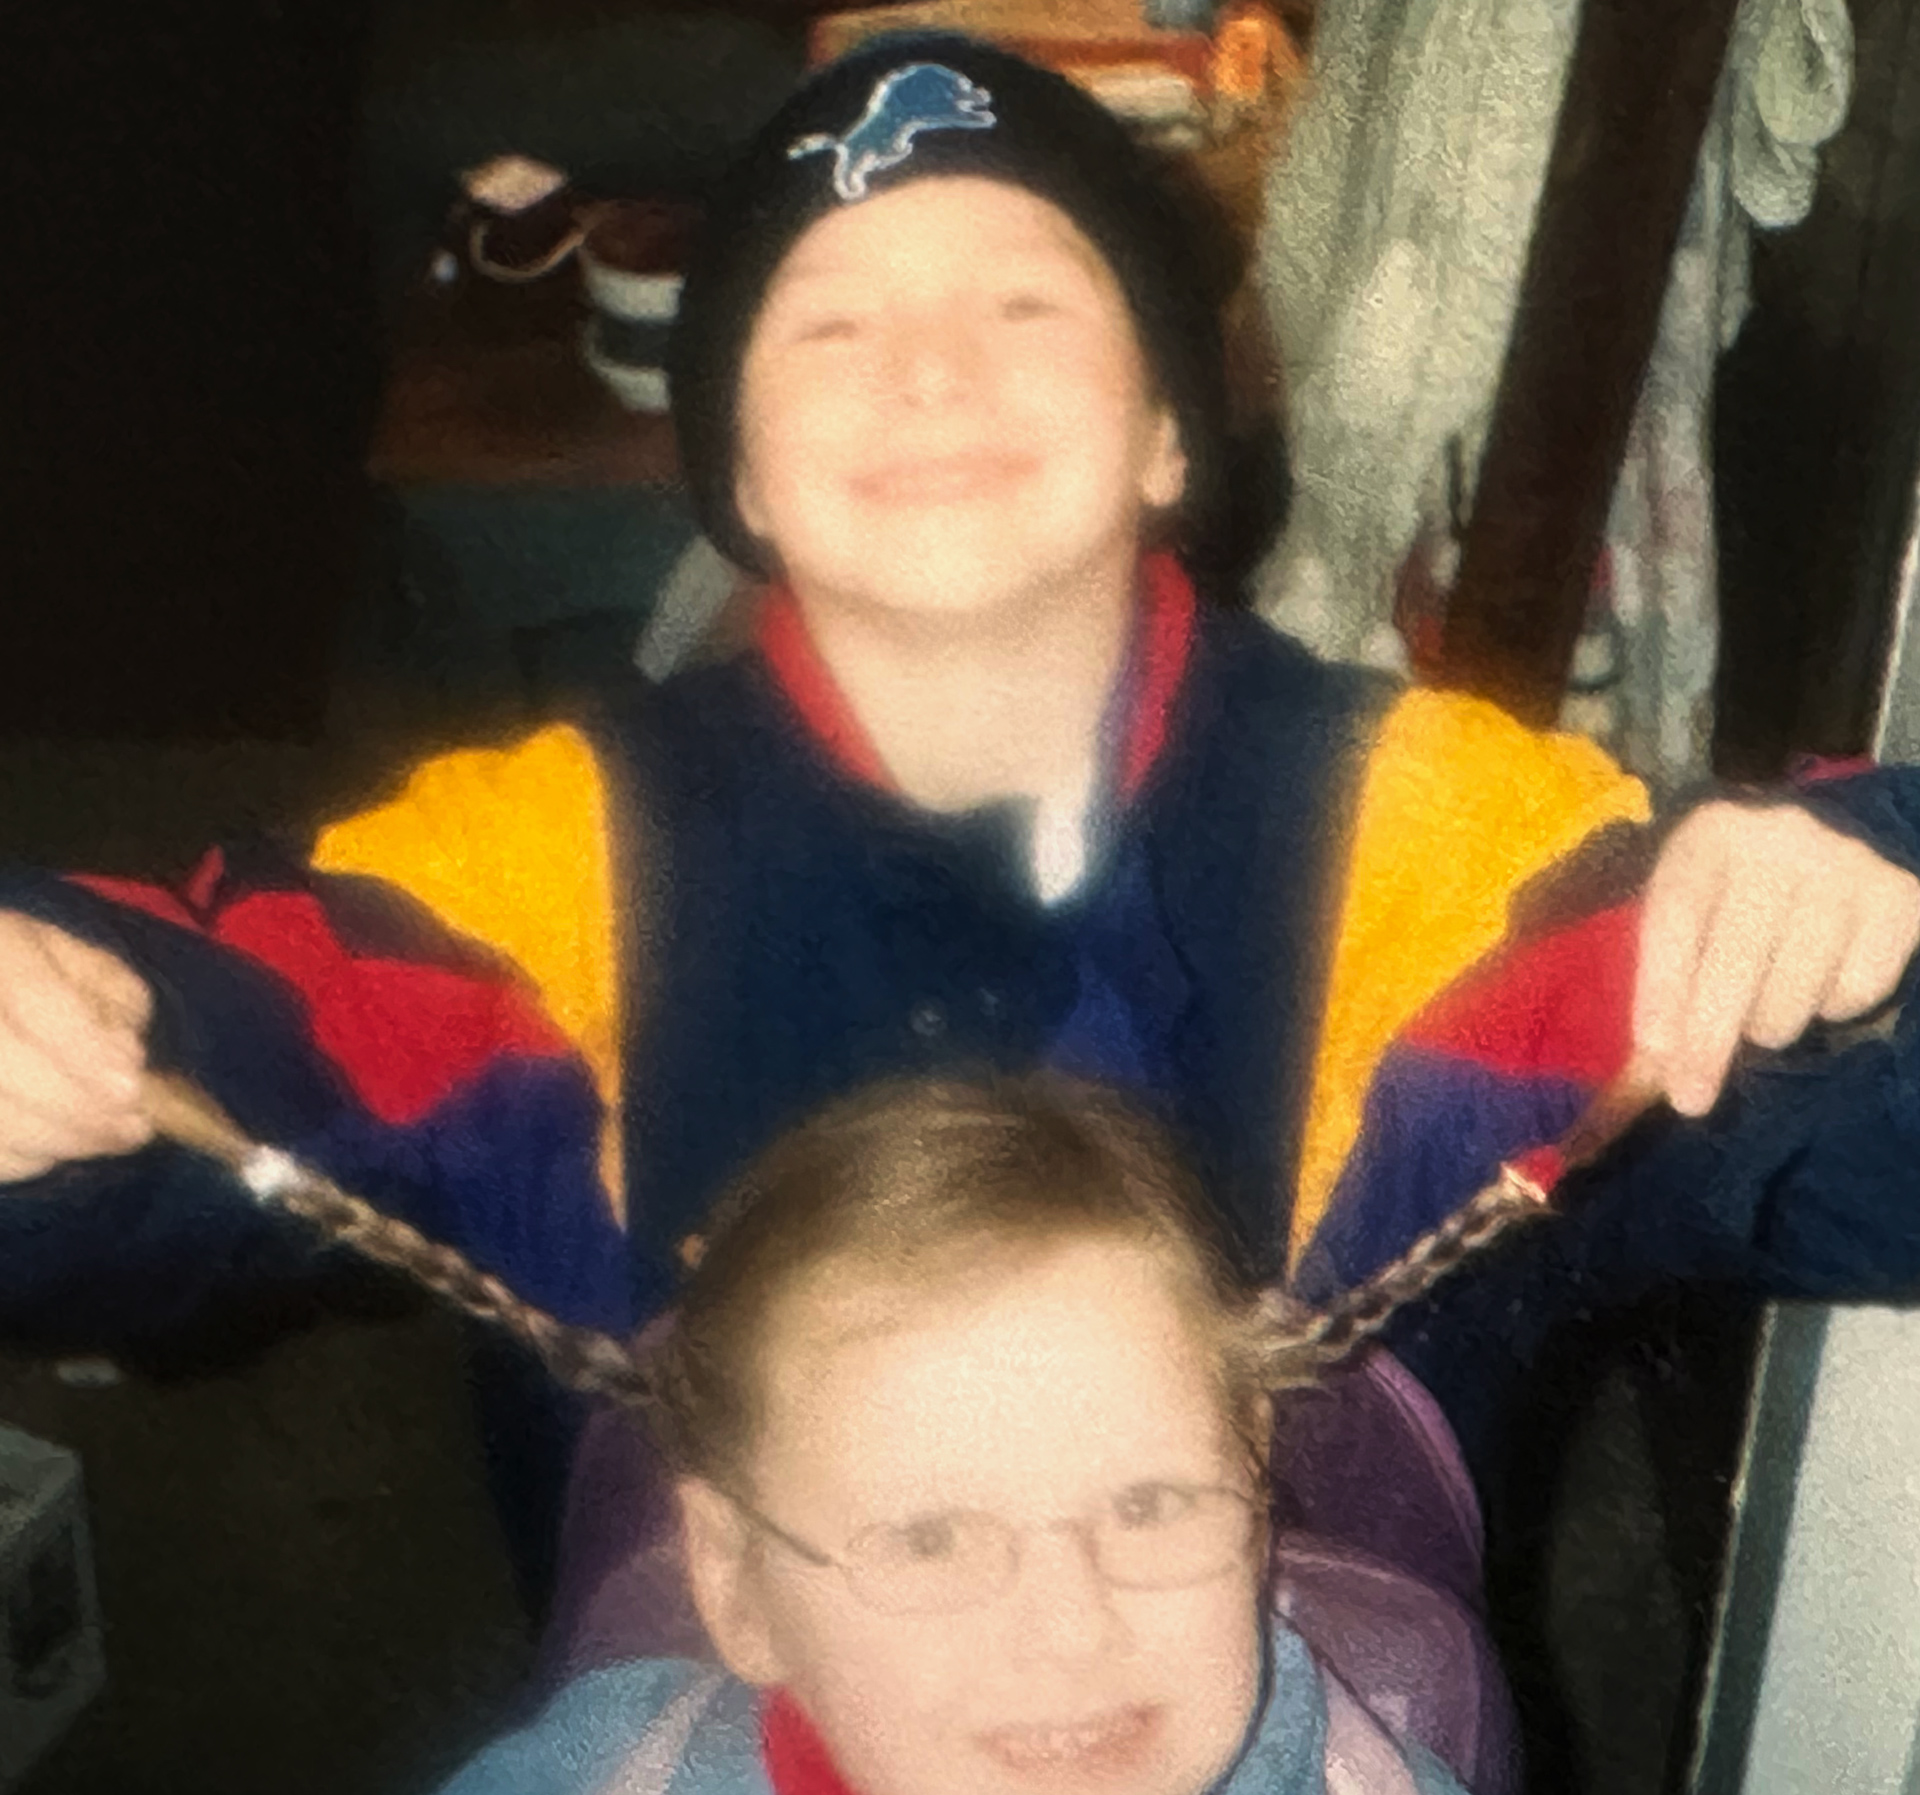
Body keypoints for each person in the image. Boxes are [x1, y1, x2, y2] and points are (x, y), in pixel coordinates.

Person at [0, 34, 1917, 1622]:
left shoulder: (1438, 836)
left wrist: (1856, 888)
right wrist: (53, 1019)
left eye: (1025, 299)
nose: (930, 364)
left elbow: (1835, 1119)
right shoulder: (545, 861)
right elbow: (236, 1025)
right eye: (829, 328)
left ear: (1173, 432)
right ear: (741, 471)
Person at [356, 1073, 1570, 1795]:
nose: (1071, 1629)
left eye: (1150, 1503)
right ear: (736, 1585)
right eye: (930, 1538)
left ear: (1256, 1481)